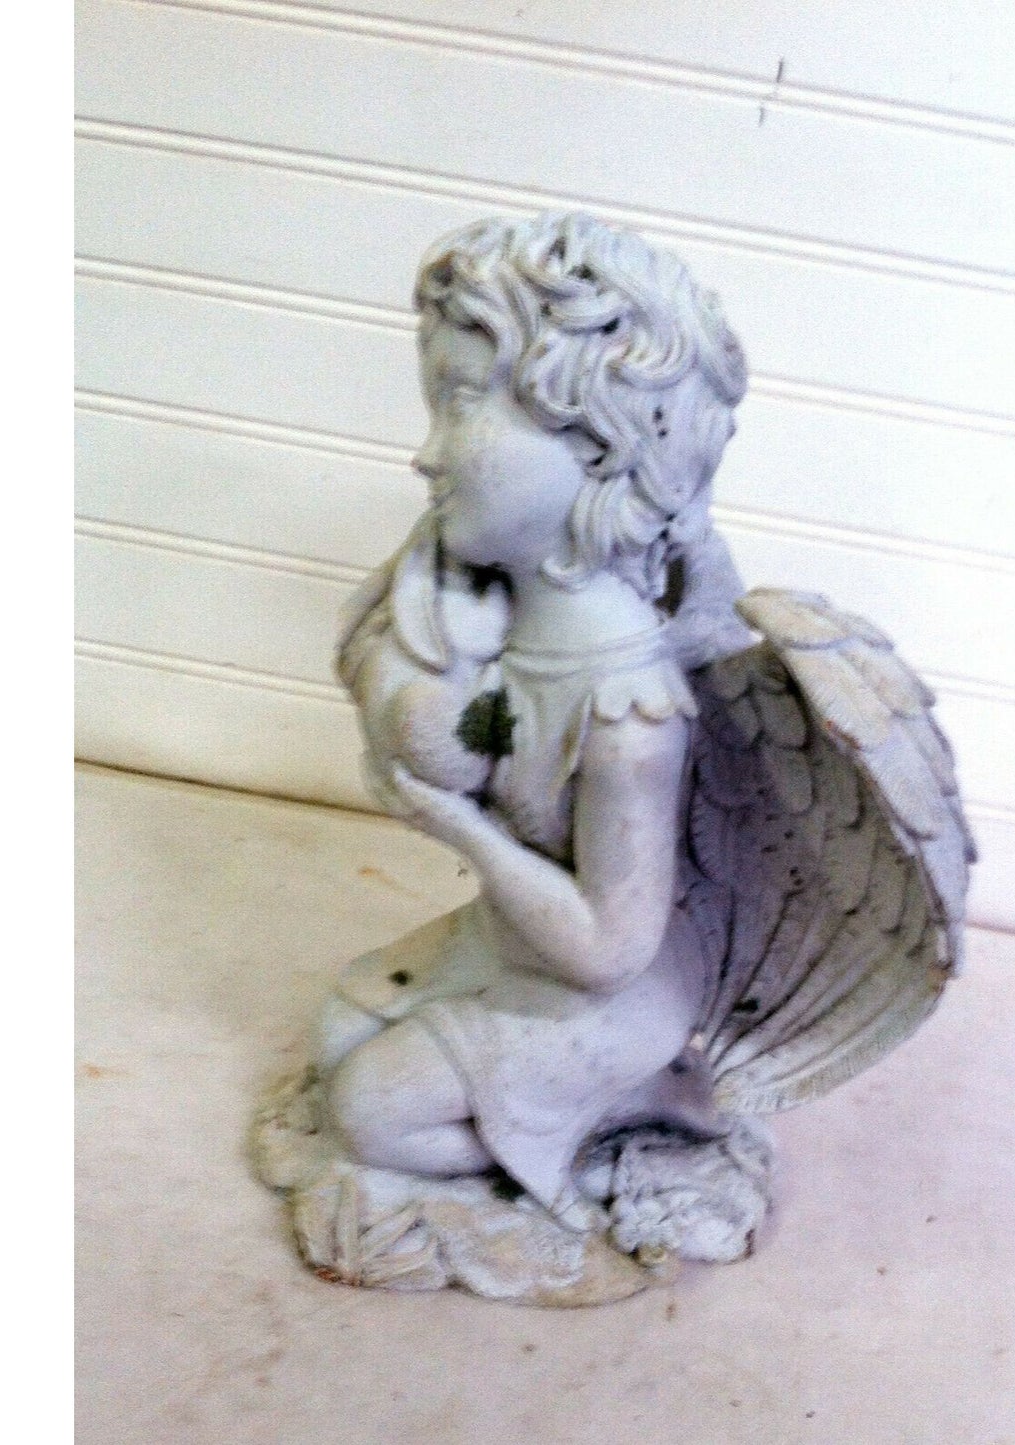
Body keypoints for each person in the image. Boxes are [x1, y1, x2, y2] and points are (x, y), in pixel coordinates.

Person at [319, 212, 749, 1225]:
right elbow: (478, 735)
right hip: (512, 944)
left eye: (460, 405)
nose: (425, 456)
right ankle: (560, 1105)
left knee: (367, 1111)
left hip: (602, 995)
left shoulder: (632, 712)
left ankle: (630, 1108)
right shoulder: (512, 630)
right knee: (338, 1026)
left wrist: (453, 824)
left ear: (597, 443)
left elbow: (608, 947)